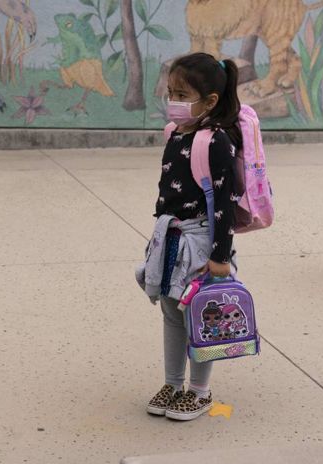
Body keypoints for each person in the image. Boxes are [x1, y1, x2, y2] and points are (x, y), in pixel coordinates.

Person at [139, 52, 241, 421]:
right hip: (170, 237)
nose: (173, 102)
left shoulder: (216, 142)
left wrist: (220, 256)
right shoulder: (174, 134)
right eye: (171, 93)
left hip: (202, 241)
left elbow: (225, 205)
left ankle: (200, 391)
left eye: (182, 95)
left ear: (210, 101)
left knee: (202, 315)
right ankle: (172, 382)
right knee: (170, 310)